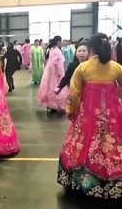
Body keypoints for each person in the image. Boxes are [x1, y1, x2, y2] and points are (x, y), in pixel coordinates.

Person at [58, 33, 122, 199]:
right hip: (113, 118)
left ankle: (84, 184)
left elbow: (74, 94)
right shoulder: (116, 68)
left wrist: (71, 111)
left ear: (91, 48)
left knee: (83, 146)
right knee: (112, 146)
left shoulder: (83, 68)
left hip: (87, 119)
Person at [38, 36, 67, 114]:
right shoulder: (57, 51)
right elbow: (57, 63)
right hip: (56, 72)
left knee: (50, 87)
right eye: (61, 41)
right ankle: (55, 104)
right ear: (58, 42)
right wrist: (60, 73)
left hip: (50, 71)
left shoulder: (52, 49)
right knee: (56, 87)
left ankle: (51, 104)